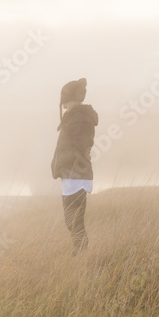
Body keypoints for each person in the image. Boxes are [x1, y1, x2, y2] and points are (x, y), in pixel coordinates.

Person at [50, 78, 98, 254]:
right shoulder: (76, 116)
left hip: (76, 175)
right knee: (72, 221)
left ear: (73, 100)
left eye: (66, 102)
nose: (64, 107)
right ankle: (79, 253)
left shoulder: (79, 118)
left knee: (73, 221)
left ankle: (80, 254)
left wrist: (63, 162)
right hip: (72, 175)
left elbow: (82, 146)